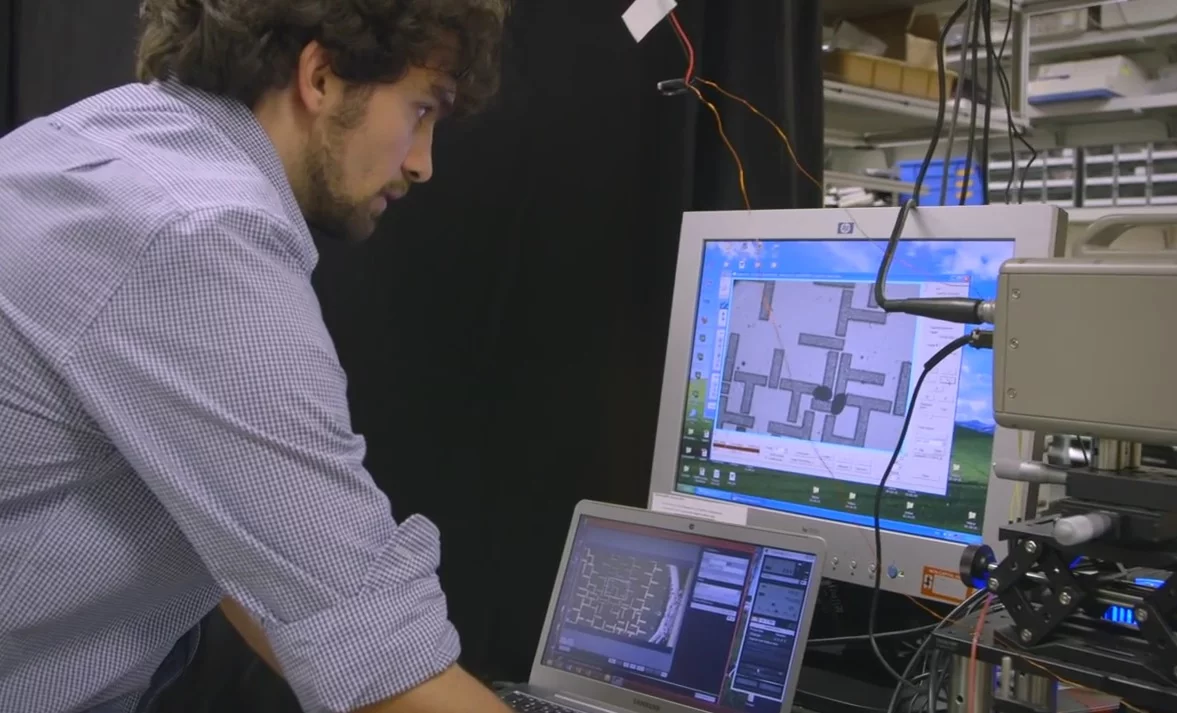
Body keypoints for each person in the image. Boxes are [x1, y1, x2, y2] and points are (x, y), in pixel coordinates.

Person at [0, 2, 517, 712]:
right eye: (421, 109)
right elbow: (383, 658)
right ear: (322, 77)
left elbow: (270, 562)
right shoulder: (196, 233)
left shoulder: (95, 140)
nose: (421, 162)